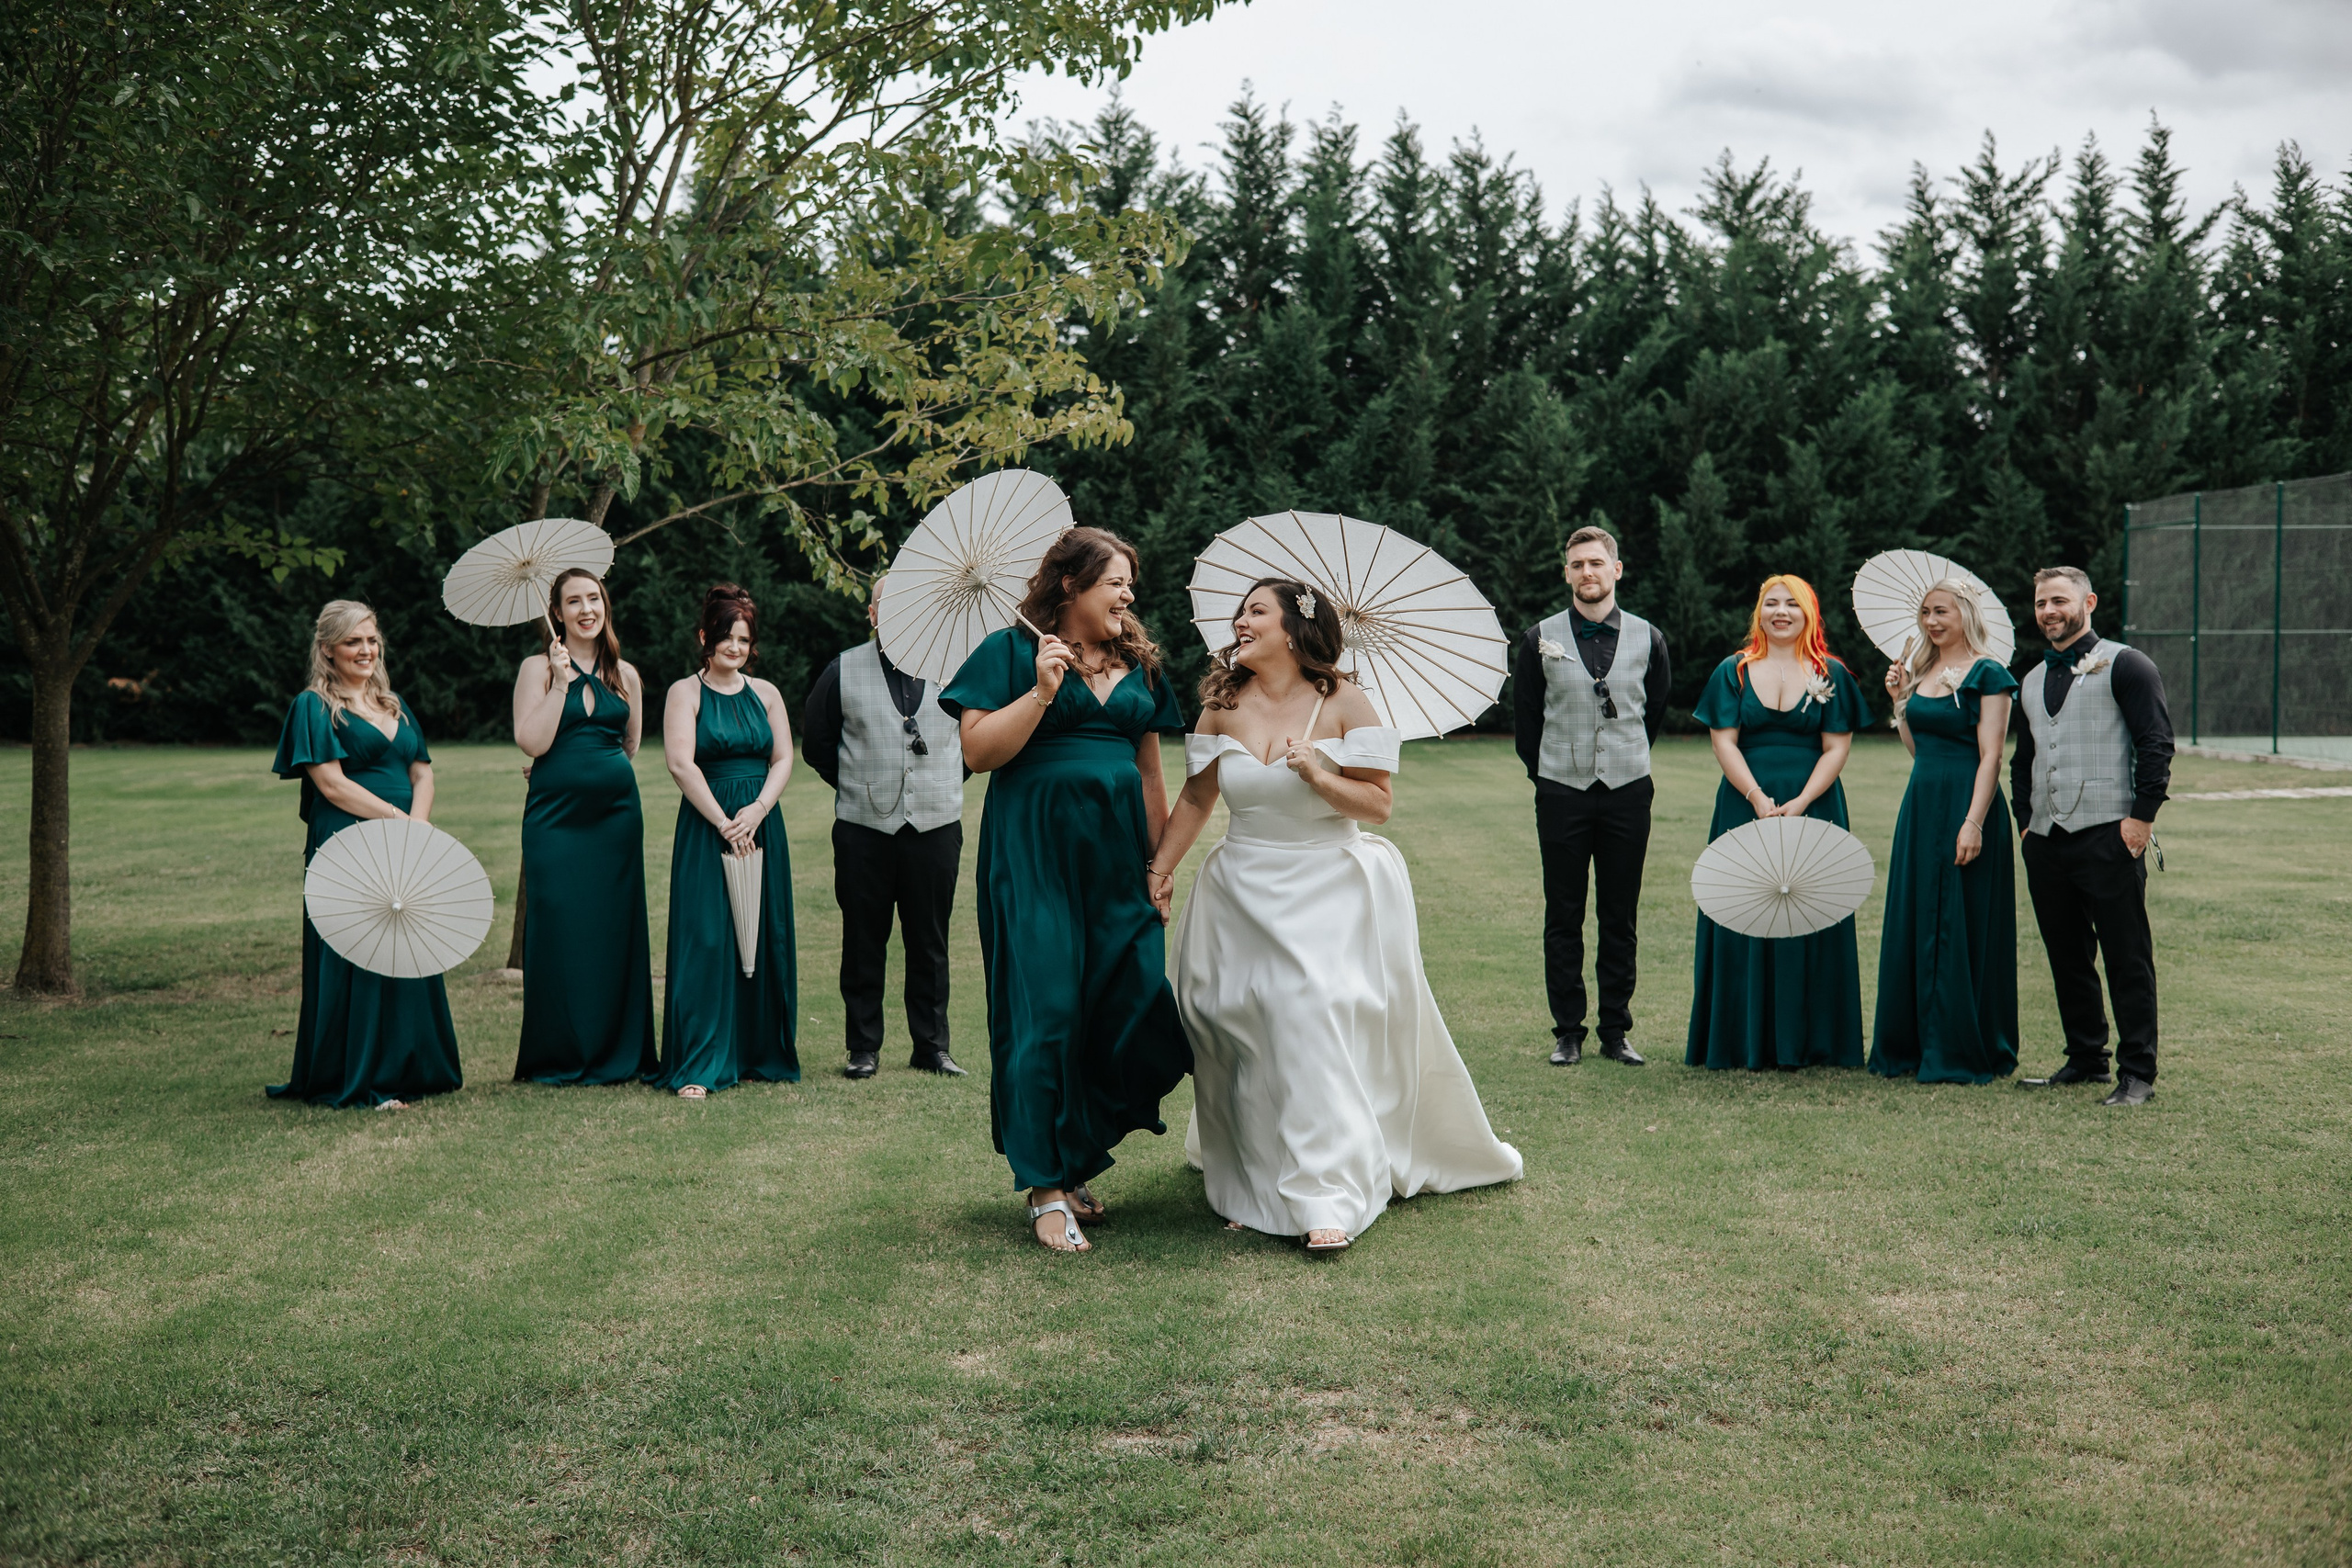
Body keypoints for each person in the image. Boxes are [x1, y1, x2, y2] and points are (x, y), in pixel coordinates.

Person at [1151, 580, 1522, 1254]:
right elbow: (1198, 798)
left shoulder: (1346, 702)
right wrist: (1161, 868)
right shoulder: (1221, 704)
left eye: (1256, 611)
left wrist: (1320, 775)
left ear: (1295, 629)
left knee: (1306, 1016)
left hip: (1324, 888)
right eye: (1240, 612)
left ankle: (1324, 1192)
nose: (1240, 622)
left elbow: (1379, 805)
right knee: (1232, 1024)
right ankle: (1252, 1185)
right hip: (1238, 889)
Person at [937, 526, 1191, 1254]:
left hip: (1117, 859)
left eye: (1130, 583)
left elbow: (1149, 772)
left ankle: (1075, 1147)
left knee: (1130, 998)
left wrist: (1159, 864)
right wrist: (1042, 692)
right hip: (1035, 855)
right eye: (1116, 581)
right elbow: (978, 752)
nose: (1128, 595)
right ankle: (1046, 1185)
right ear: (1072, 584)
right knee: (1045, 1008)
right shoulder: (1010, 652)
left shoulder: (1140, 665)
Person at [268, 601, 463, 1109]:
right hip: (347, 841)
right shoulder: (313, 706)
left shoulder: (394, 703)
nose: (366, 650)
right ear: (327, 649)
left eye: (372, 639)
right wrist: (398, 820)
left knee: (409, 945)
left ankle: (414, 1067)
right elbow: (332, 786)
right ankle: (362, 1078)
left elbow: (422, 771)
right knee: (358, 953)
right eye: (353, 641)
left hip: (404, 840)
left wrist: (416, 827)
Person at [1686, 576, 1870, 1070]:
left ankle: (1815, 1041)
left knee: (1813, 910)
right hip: (1743, 803)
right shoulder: (1733, 671)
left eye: (1792, 604)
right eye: (1771, 603)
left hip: (1816, 803)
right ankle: (1739, 1040)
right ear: (1759, 613)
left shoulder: (1830, 672)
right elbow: (1724, 740)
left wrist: (1803, 800)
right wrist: (1755, 797)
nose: (1781, 612)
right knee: (1741, 906)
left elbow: (1837, 748)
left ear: (1810, 613)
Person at [2010, 566, 2173, 1108]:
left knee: (2127, 956)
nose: (2049, 611)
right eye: (2041, 603)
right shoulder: (2031, 679)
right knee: (2067, 954)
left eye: (2059, 600)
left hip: (2110, 832)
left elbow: (2156, 743)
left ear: (2089, 602)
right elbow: (2024, 759)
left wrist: (2141, 819)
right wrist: (2024, 823)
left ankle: (2138, 1073)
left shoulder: (2128, 664)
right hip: (2045, 838)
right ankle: (2086, 1058)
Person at [1512, 525, 1671, 1066]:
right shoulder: (1539, 638)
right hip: (1562, 791)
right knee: (1563, 914)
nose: (1587, 572)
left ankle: (1615, 1030)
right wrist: (1549, 777)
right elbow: (1527, 720)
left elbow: (1653, 714)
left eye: (1596, 563)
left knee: (1620, 915)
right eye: (1578, 564)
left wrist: (1624, 759)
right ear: (1567, 573)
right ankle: (1568, 1032)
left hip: (1628, 791)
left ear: (1616, 570)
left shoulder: (1650, 638)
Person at [800, 574, 967, 1079]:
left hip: (936, 827)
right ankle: (863, 1048)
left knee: (930, 941)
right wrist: (859, 783)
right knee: (862, 939)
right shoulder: (842, 669)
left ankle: (931, 1047)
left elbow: (975, 742)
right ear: (871, 615)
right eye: (885, 605)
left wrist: (939, 781)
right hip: (862, 831)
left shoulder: (956, 669)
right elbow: (817, 744)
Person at [510, 567, 657, 1086]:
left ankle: (619, 1050)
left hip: (616, 820)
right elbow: (532, 742)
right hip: (554, 819)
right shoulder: (537, 669)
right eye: (573, 601)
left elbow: (630, 743)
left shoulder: (626, 674)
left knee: (615, 929)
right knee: (559, 929)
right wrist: (560, 683)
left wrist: (598, 772)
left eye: (593, 598)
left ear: (605, 605)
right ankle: (560, 1052)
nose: (586, 609)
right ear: (557, 612)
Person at [1869, 580, 2020, 1084]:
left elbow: (1991, 756)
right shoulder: (1922, 670)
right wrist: (1899, 701)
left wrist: (1973, 822)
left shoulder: (1989, 673)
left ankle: (1960, 1044)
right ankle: (1909, 1044)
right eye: (1926, 612)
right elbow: (1919, 749)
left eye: (1942, 612)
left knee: (1961, 920)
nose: (1931, 622)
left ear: (1966, 615)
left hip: (1967, 801)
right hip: (1921, 804)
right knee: (1916, 916)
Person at [651, 583, 799, 1098]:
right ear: (704, 638)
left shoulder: (767, 694)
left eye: (743, 639)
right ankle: (701, 1064)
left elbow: (784, 758)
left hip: (761, 824)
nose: (735, 647)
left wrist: (757, 810)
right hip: (706, 825)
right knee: (708, 938)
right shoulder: (684, 692)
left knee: (764, 934)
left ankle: (759, 1054)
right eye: (726, 637)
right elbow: (680, 763)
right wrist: (724, 822)